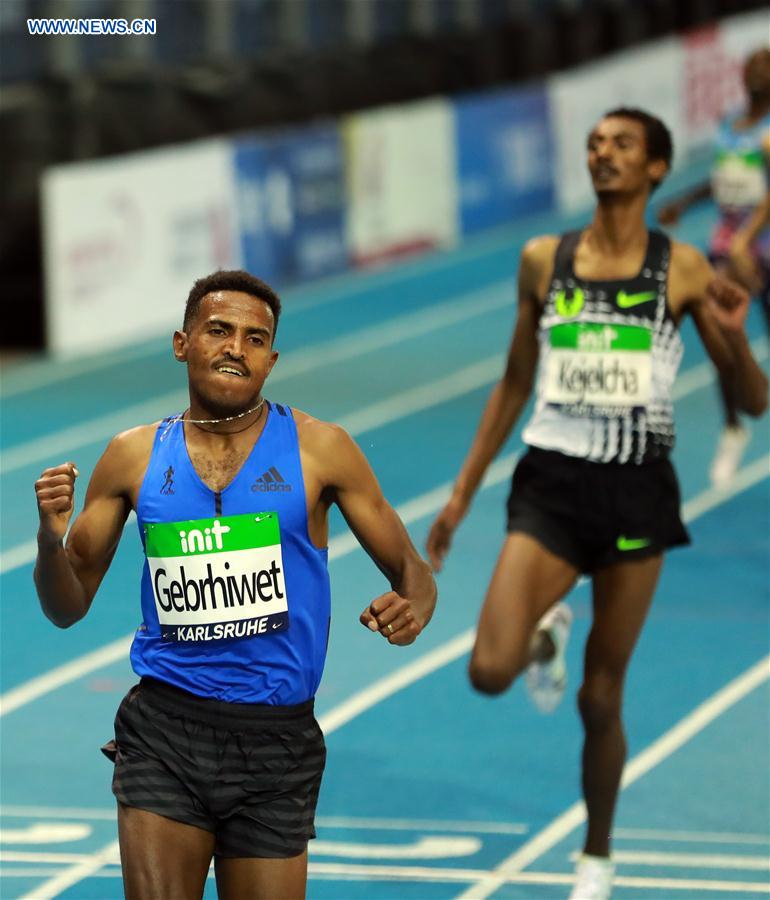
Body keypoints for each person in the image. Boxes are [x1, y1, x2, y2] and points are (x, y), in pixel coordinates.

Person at [426, 108, 768, 900]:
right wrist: (460, 495)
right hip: (549, 486)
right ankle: (544, 628)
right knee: (488, 668)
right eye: (595, 144)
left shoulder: (680, 268)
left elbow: (751, 401)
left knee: (600, 693)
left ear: (656, 168)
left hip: (635, 496)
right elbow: (514, 381)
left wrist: (737, 337)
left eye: (622, 145)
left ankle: (596, 855)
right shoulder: (544, 261)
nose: (603, 153)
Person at [33, 270, 437, 900]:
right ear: (182, 342)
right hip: (166, 728)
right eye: (219, 330)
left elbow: (412, 571)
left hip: (277, 740)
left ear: (271, 360)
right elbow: (66, 606)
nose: (235, 348)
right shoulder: (134, 456)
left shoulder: (321, 450)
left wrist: (414, 607)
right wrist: (46, 540)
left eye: (255, 339)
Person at [658, 47, 770, 488]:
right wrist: (683, 201)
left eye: (764, 68)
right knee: (722, 332)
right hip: (728, 247)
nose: (757, 74)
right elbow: (722, 182)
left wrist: (746, 239)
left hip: (760, 245)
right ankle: (732, 427)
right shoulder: (730, 127)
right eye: (751, 68)